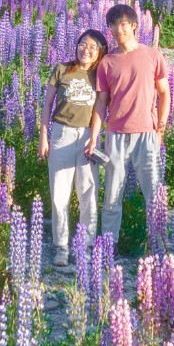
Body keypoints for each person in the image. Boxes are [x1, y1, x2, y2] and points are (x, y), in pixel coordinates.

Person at [87, 2, 171, 247]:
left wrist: (161, 131)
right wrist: (94, 136)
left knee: (154, 194)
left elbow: (164, 93)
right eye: (113, 24)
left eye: (123, 23)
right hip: (116, 135)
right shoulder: (107, 62)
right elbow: (101, 103)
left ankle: (159, 245)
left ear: (134, 25)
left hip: (147, 134)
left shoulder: (153, 55)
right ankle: (108, 248)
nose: (117, 29)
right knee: (112, 196)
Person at [38, 28, 105, 266]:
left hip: (88, 136)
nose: (86, 50)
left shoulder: (101, 75)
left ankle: (86, 246)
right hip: (61, 133)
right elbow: (46, 105)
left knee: (88, 193)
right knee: (59, 195)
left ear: (100, 53)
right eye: (82, 45)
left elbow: (100, 109)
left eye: (92, 47)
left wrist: (94, 138)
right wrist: (43, 137)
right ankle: (62, 247)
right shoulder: (62, 70)